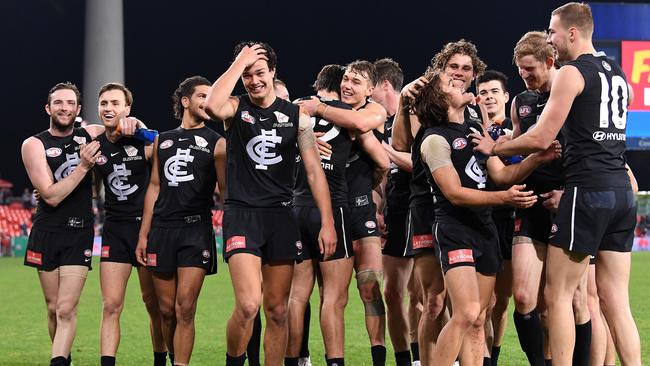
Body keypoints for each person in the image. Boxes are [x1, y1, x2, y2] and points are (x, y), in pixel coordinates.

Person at [473, 3, 641, 365]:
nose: (550, 38)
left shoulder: (571, 72)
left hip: (586, 190)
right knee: (616, 301)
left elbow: (540, 137)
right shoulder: (618, 72)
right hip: (620, 192)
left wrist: (496, 146)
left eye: (552, 31)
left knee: (559, 297)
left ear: (572, 32)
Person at [204, 41, 337, 366]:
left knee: (277, 311)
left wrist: (328, 222)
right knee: (249, 304)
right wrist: (240, 63)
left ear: (273, 72)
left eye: (259, 72)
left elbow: (314, 173)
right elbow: (210, 104)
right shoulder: (235, 108)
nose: (253, 80)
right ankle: (234, 361)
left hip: (280, 217)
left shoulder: (297, 118)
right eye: (248, 74)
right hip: (241, 215)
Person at [414, 70, 560, 366]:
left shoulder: (472, 128)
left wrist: (536, 159)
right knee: (466, 312)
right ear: (440, 100)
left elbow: (503, 175)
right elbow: (454, 193)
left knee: (479, 319)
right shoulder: (433, 140)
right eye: (449, 84)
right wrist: (503, 199)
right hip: (455, 230)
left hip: (484, 229)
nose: (459, 82)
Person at [21, 82, 137, 366]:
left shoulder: (92, 134)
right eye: (58, 103)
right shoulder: (33, 144)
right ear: (48, 108)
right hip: (46, 231)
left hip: (79, 231)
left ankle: (58, 362)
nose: (65, 108)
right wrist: (83, 167)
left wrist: (134, 122)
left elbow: (125, 123)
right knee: (52, 309)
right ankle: (65, 355)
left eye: (70, 103)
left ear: (79, 110)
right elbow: (50, 196)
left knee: (65, 308)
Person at [392, 40, 485, 365]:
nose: (459, 74)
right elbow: (402, 143)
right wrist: (405, 104)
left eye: (466, 69)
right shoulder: (426, 102)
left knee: (470, 311)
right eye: (453, 67)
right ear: (441, 70)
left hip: (464, 214)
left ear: (474, 74)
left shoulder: (470, 110)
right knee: (432, 301)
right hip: (426, 208)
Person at [298, 59, 390, 366]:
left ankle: (378, 355)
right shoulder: (334, 113)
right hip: (331, 205)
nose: (348, 85)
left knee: (370, 286)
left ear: (371, 89)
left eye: (356, 81)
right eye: (346, 79)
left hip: (359, 208)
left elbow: (376, 151)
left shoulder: (372, 112)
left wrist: (319, 109)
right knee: (329, 294)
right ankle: (317, 356)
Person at [135, 76, 225, 366]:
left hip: (196, 229)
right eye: (201, 96)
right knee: (166, 311)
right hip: (162, 230)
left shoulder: (217, 142)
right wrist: (143, 234)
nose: (206, 101)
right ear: (185, 101)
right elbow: (154, 186)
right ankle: (173, 356)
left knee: (185, 308)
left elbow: (225, 191)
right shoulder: (163, 139)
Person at [286, 64, 359, 366]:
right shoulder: (348, 115)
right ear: (341, 84)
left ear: (317, 83)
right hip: (332, 207)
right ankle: (335, 363)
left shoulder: (293, 111)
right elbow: (371, 130)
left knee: (297, 295)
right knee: (334, 297)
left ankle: (295, 360)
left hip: (296, 207)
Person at [93, 83, 167, 366]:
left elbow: (168, 146)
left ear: (127, 109)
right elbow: (90, 187)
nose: (108, 108)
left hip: (147, 230)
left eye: (114, 103)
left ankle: (160, 359)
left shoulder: (143, 141)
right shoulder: (95, 146)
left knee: (154, 305)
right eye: (104, 103)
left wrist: (143, 129)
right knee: (111, 305)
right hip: (115, 229)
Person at [370, 58, 421, 366]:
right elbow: (384, 176)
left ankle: (424, 356)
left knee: (424, 294)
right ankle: (404, 360)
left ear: (384, 85)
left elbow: (421, 163)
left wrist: (383, 148)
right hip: (398, 211)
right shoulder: (383, 122)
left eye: (371, 87)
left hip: (423, 208)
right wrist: (378, 207)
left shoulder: (414, 111)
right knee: (392, 293)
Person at [475, 70, 513, 366]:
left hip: (510, 218)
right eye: (483, 92)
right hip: (478, 218)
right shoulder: (468, 129)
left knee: (502, 302)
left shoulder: (517, 131)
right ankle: (482, 358)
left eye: (493, 92)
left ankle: (494, 355)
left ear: (505, 96)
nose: (488, 97)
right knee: (481, 305)